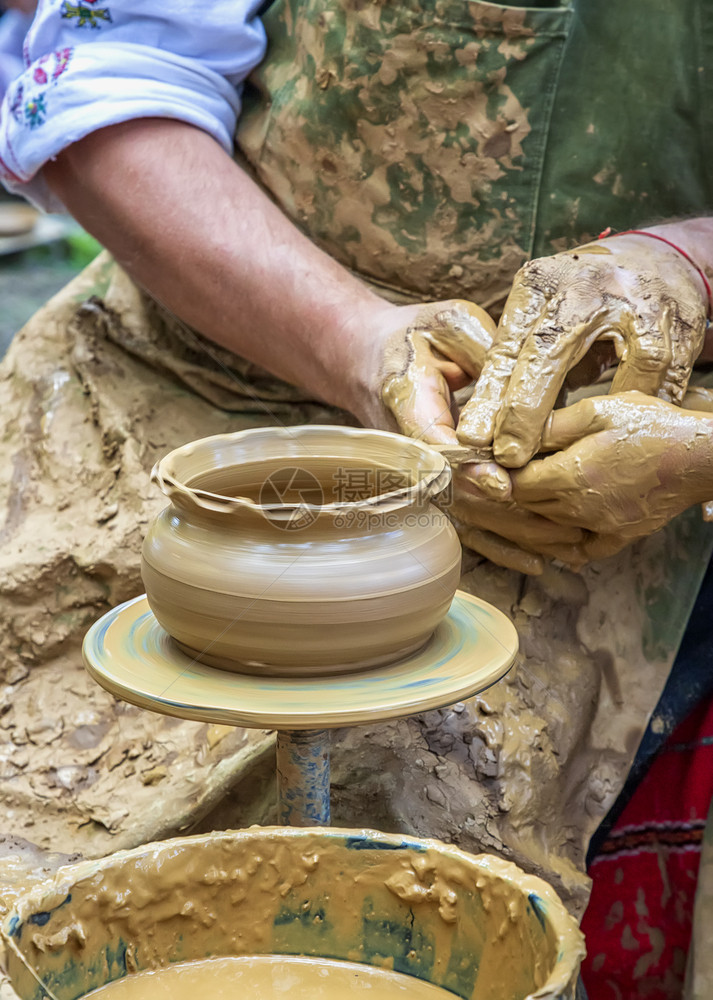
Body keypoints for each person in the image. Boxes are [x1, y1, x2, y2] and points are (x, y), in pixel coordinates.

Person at [0, 2, 712, 995]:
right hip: (220, 357)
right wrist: (358, 345)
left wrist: (690, 262)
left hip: (638, 435)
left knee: (440, 892)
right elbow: (113, 76)